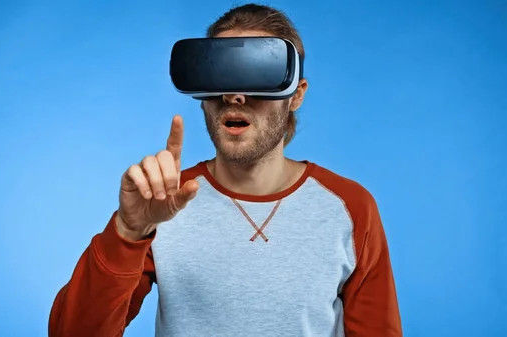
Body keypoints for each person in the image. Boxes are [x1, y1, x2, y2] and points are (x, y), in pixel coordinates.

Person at [48, 3, 403, 337]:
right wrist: (127, 232)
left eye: (259, 74)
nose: (235, 95)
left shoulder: (351, 207)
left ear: (296, 95)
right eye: (221, 75)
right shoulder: (164, 201)